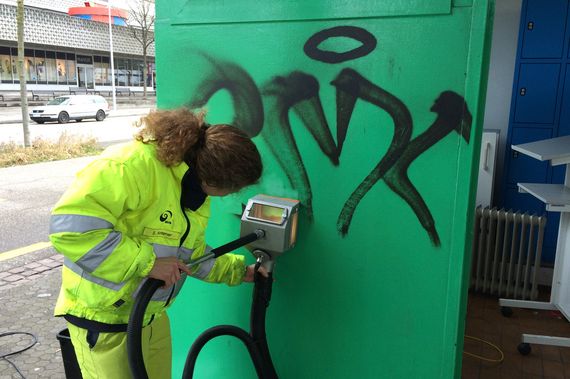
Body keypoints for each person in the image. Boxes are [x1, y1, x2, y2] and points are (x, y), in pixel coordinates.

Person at [49, 108, 264, 379]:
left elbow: (189, 255)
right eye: (234, 189)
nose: (231, 195)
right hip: (104, 320)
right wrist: (148, 264)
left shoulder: (191, 189)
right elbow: (70, 230)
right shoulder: (130, 167)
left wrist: (237, 271)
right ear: (215, 178)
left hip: (149, 316)